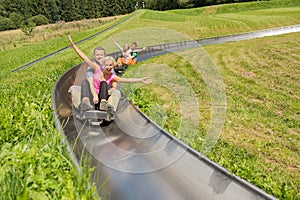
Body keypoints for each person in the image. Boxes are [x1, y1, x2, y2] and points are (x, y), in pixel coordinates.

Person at [68, 35, 152, 112]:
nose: (108, 67)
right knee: (80, 85)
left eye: (110, 66)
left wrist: (140, 79)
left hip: (103, 94)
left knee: (110, 88)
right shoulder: (96, 68)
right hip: (92, 92)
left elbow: (125, 79)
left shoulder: (111, 75)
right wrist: (72, 44)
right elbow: (84, 58)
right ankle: (84, 104)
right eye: (106, 65)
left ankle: (107, 106)